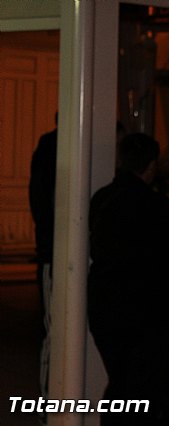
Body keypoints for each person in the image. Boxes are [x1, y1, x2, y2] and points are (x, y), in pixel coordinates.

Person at [87, 133, 169, 426]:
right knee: (143, 387)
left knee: (119, 382)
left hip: (105, 306)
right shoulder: (161, 208)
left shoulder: (102, 200)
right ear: (150, 166)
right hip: (149, 311)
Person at [28, 112, 57, 423]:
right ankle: (48, 399)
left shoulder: (48, 149)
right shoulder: (52, 149)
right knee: (52, 328)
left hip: (51, 247)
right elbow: (42, 199)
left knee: (53, 327)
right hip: (52, 250)